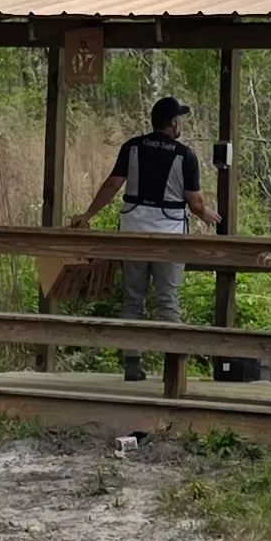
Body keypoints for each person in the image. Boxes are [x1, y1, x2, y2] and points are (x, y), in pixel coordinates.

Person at [73, 96, 219, 382]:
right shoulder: (185, 155)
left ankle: (132, 361)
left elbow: (114, 184)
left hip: (133, 231)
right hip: (170, 237)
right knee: (167, 300)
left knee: (133, 299)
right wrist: (208, 216)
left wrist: (89, 213)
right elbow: (194, 202)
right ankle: (173, 367)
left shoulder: (132, 147)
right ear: (174, 124)